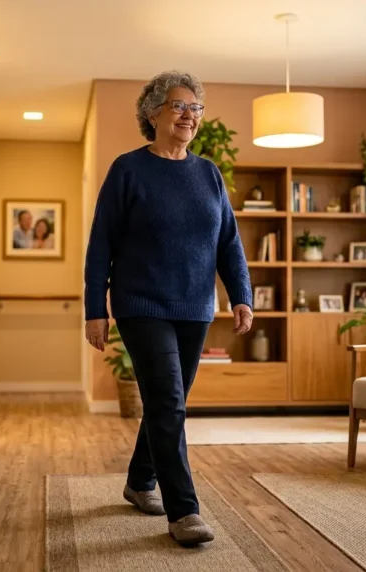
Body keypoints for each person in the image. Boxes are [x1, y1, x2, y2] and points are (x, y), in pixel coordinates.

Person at [83, 71, 253, 546]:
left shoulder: (209, 174)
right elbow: (102, 244)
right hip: (142, 304)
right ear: (152, 113)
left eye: (196, 108)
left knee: (166, 405)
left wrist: (241, 294)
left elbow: (229, 243)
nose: (189, 115)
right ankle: (184, 511)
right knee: (169, 403)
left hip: (195, 307)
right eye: (179, 106)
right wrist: (95, 307)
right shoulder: (128, 169)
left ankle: (139, 482)